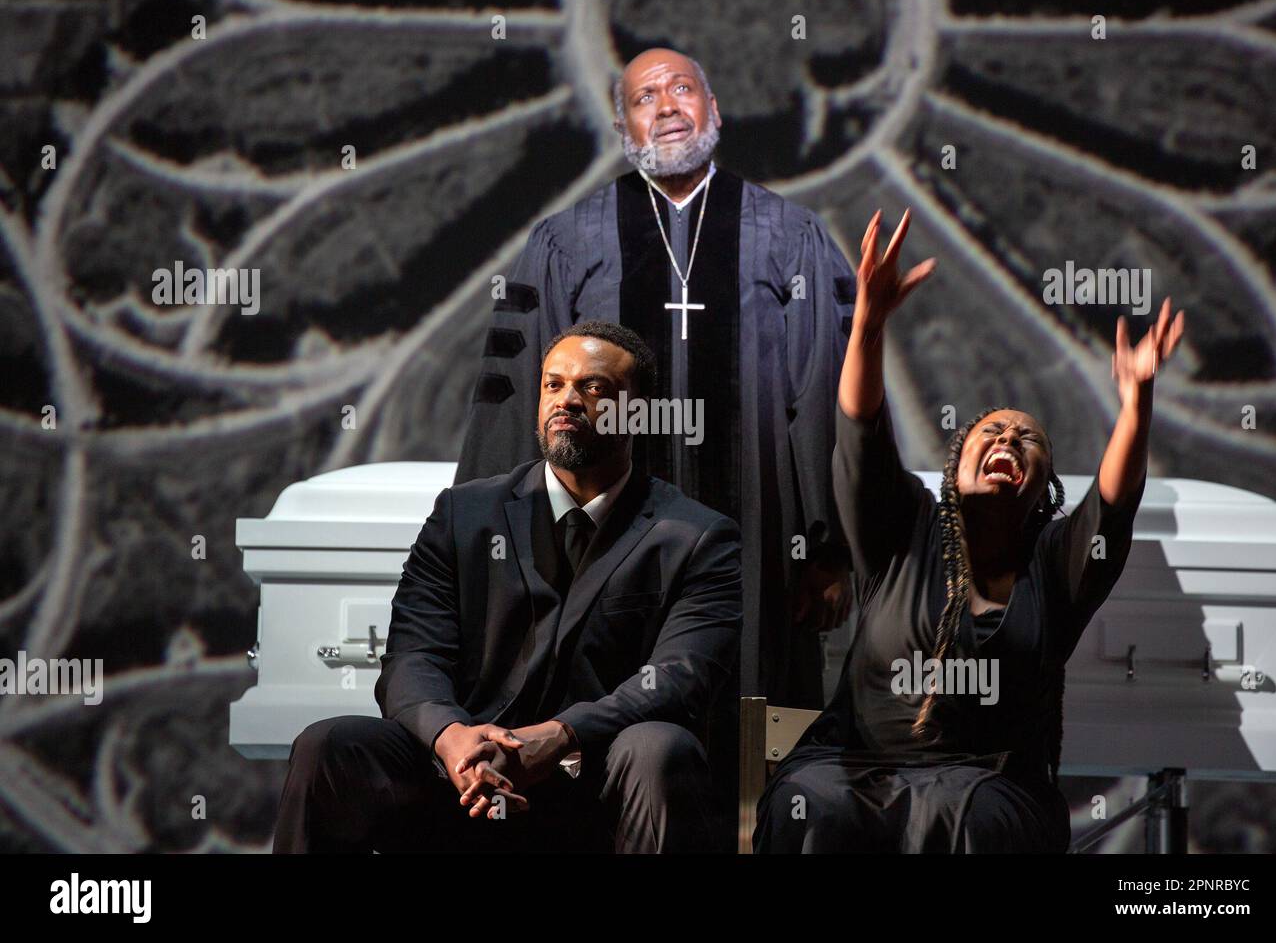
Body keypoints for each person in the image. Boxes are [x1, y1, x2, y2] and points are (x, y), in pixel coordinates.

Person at [755, 209, 1186, 852]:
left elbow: (1115, 504)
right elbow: (861, 432)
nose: (1008, 440)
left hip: (991, 782)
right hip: (858, 765)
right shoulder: (902, 528)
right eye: (992, 432)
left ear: (1045, 483)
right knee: (807, 807)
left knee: (976, 822)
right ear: (955, 468)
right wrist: (869, 325)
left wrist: (1138, 400)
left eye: (1027, 439)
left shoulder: (1056, 560)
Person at [456, 47, 856, 710]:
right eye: (644, 98)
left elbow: (826, 397)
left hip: (757, 540)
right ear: (622, 132)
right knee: (605, 727)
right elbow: (522, 395)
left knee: (749, 732)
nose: (666, 105)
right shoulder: (567, 243)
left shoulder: (792, 237)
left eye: (681, 89)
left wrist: (828, 547)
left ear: (714, 110)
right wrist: (503, 553)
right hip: (599, 542)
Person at [274, 321, 741, 853]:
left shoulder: (696, 536)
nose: (566, 399)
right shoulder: (465, 513)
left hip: (592, 778)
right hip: (462, 776)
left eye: (593, 388)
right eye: (553, 384)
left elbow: (678, 680)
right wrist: (454, 741)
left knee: (660, 748)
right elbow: (412, 658)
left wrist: (558, 737)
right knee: (331, 746)